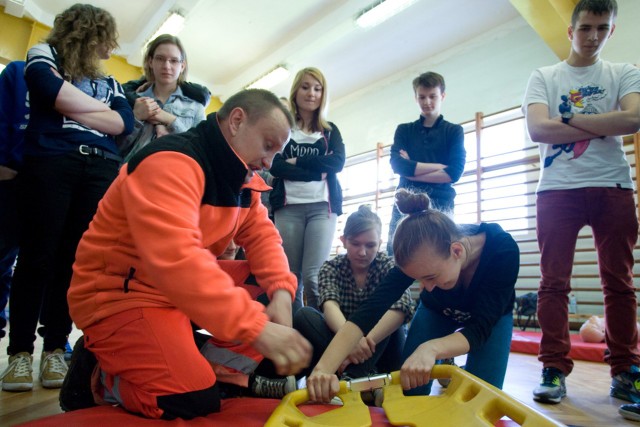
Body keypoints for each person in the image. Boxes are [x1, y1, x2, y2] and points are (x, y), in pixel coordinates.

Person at [59, 89, 312, 420]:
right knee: (191, 400)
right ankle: (98, 374)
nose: (269, 162)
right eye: (267, 145)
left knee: (271, 289)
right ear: (237, 121)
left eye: (276, 153)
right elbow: (178, 261)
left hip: (174, 295)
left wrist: (280, 292)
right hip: (120, 297)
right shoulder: (170, 161)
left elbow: (263, 236)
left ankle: (213, 371)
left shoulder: (241, 178)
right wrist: (257, 328)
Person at [0, 4, 134, 392]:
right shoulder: (43, 55)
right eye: (107, 40)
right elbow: (46, 88)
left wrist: (67, 103)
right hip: (51, 164)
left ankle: (56, 347)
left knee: (73, 262)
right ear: (91, 34)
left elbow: (122, 123)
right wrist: (96, 113)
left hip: (100, 169)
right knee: (37, 256)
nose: (111, 49)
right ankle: (21, 354)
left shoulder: (111, 81)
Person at [522, 0, 640, 404]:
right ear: (570, 31)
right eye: (586, 27)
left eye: (602, 28)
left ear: (611, 31)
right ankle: (553, 368)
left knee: (619, 284)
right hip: (556, 190)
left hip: (613, 187)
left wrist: (568, 121)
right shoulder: (544, 76)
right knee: (553, 284)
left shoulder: (623, 72)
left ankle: (626, 371)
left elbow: (632, 119)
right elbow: (538, 128)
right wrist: (601, 122)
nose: (593, 36)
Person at [305, 189, 519, 403]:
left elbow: (479, 330)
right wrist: (323, 370)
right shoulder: (418, 258)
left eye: (431, 277)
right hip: (438, 311)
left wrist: (432, 348)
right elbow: (367, 313)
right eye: (419, 280)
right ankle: (443, 361)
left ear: (457, 251)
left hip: (489, 319)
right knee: (410, 391)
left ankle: (446, 360)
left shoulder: (502, 251)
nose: (427, 287)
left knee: (481, 398)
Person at [293, 205, 414, 382]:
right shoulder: (331, 267)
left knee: (389, 323)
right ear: (343, 241)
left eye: (370, 245)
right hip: (342, 341)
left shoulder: (389, 266)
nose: (362, 252)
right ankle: (359, 376)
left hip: (381, 350)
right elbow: (329, 305)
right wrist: (350, 343)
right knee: (304, 315)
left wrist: (360, 344)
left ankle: (353, 375)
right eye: (355, 244)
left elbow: (401, 309)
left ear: (380, 244)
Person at [269, 67, 346, 313]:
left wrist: (298, 163)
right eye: (305, 87)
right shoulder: (284, 128)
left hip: (322, 208)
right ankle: (294, 333)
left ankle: (320, 332)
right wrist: (317, 171)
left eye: (317, 88)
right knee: (291, 277)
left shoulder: (330, 130)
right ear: (295, 92)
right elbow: (276, 166)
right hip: (288, 208)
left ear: (323, 94)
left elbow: (337, 163)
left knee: (314, 276)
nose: (311, 93)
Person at [386, 71, 466, 256]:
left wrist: (411, 170)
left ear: (442, 96)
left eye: (433, 96)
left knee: (442, 258)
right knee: (396, 257)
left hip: (441, 202)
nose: (427, 102)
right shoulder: (404, 130)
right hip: (405, 201)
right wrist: (439, 167)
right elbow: (398, 166)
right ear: (416, 98)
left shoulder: (454, 131)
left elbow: (455, 172)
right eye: (422, 97)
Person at [119, 34, 209, 162]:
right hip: (130, 173)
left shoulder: (196, 108)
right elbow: (118, 146)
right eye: (160, 59)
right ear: (151, 62)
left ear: (182, 66)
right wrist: (136, 118)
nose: (166, 66)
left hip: (172, 176)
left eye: (173, 60)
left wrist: (170, 120)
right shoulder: (133, 101)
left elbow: (201, 152)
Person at [0, 61, 29, 344]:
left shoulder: (84, 83)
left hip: (51, 180)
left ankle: (54, 342)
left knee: (41, 265)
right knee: (3, 256)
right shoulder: (18, 72)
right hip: (9, 176)